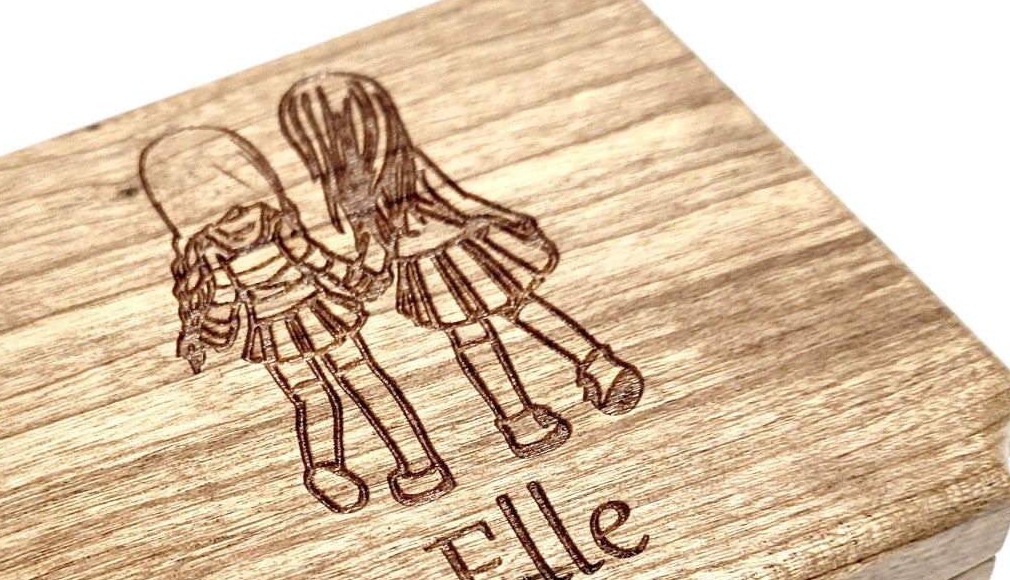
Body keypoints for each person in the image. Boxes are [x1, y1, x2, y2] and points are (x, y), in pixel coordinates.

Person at [277, 71, 643, 460]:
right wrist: (506, 219)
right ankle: (598, 367)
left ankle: (521, 420)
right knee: (519, 308)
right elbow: (453, 202)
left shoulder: (357, 187)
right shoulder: (396, 166)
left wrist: (367, 275)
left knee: (476, 335)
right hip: (458, 250)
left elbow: (377, 242)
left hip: (431, 265)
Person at [139, 124, 453, 513]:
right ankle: (411, 466)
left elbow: (232, 295)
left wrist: (212, 334)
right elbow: (312, 261)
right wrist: (356, 280)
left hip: (284, 325)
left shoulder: (219, 243)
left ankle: (347, 466)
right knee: (355, 382)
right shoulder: (259, 226)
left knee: (317, 394)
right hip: (307, 315)